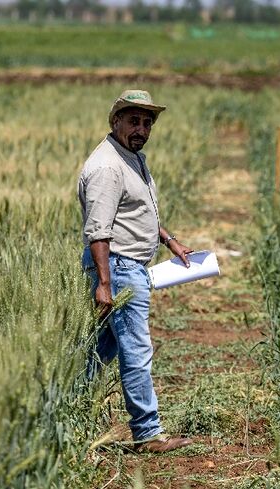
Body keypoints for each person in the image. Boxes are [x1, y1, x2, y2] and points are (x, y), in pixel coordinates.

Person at [77, 89, 194, 453]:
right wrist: (105, 285)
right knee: (136, 351)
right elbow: (99, 230)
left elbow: (136, 212)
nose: (141, 128)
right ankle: (147, 433)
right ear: (115, 121)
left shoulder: (130, 157)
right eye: (133, 120)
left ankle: (65, 411)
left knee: (100, 352)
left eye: (147, 122)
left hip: (129, 268)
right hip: (118, 269)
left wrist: (169, 241)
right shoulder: (108, 167)